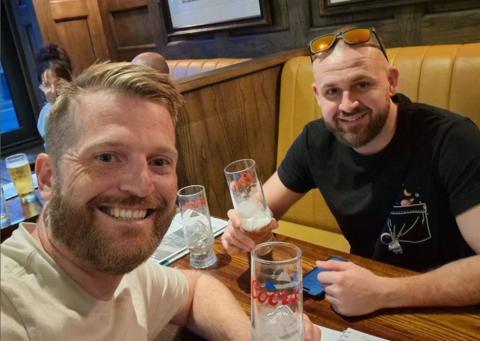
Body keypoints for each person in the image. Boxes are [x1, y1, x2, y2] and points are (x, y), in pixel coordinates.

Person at [1, 61, 319, 341]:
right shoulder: (11, 309)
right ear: (47, 178)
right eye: (107, 156)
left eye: (159, 161)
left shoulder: (122, 270)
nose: (141, 186)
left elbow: (195, 290)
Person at [222, 27, 480, 316]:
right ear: (317, 95)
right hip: (363, 301)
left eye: (362, 85)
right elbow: (261, 211)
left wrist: (384, 292)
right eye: (332, 91)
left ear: (391, 82)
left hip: (451, 308)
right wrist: (242, 230)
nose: (347, 104)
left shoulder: (452, 139)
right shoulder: (315, 141)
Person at [35, 43, 73, 140]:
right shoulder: (45, 113)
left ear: (71, 79)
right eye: (46, 85)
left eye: (59, 83)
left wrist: (56, 106)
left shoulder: (82, 104)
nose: (53, 90)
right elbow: (52, 145)